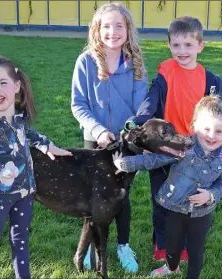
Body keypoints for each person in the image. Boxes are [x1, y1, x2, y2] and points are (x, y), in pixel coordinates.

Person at [0, 55, 72, 279]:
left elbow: (28, 134)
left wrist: (47, 145)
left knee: (20, 240)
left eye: (3, 83)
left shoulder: (16, 118)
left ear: (16, 86)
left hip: (25, 193)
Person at [125, 16, 222, 261]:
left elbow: (216, 117)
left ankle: (186, 245)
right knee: (162, 199)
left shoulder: (212, 82)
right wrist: (136, 122)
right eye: (176, 45)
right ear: (169, 45)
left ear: (200, 46)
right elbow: (150, 102)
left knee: (190, 198)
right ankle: (163, 245)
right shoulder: (165, 73)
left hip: (194, 150)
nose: (182, 51)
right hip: (164, 148)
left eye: (189, 45)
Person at [115, 95, 222, 278]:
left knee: (195, 251)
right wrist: (124, 164)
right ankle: (171, 268)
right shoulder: (182, 146)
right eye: (206, 129)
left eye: (219, 131)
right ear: (194, 126)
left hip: (201, 213)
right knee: (172, 244)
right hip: (174, 207)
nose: (211, 136)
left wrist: (211, 195)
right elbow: (154, 159)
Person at [71, 2, 148, 273]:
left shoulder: (136, 63)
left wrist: (127, 132)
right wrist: (99, 131)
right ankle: (92, 246)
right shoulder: (86, 62)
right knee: (93, 197)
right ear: (97, 29)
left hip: (127, 143)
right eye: (106, 26)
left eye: (119, 26)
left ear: (128, 30)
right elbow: (78, 104)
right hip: (96, 141)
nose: (112, 32)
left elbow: (141, 107)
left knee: (120, 196)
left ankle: (123, 245)